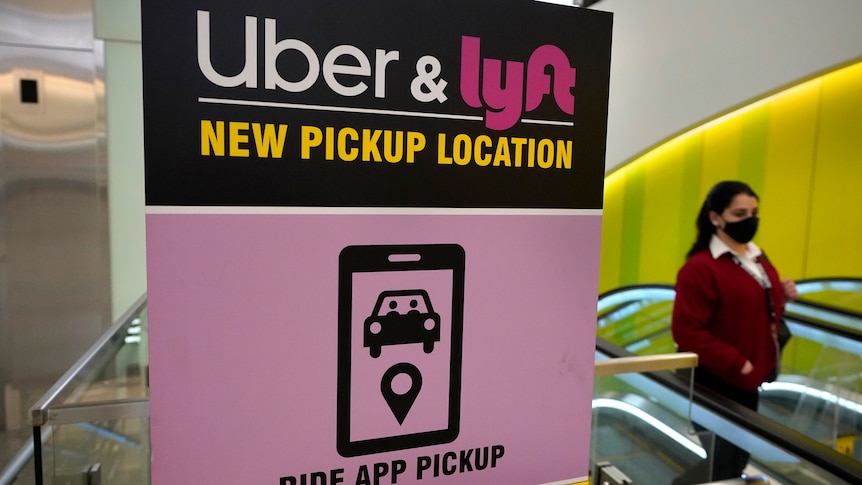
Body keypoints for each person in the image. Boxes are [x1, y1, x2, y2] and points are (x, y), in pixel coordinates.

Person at [670, 180, 798, 484]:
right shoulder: (700, 268)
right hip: (714, 382)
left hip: (748, 381)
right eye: (739, 213)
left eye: (754, 212)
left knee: (738, 457)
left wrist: (781, 295)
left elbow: (754, 306)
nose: (750, 220)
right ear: (716, 217)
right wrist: (738, 361)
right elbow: (686, 331)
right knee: (724, 462)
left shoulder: (757, 257)